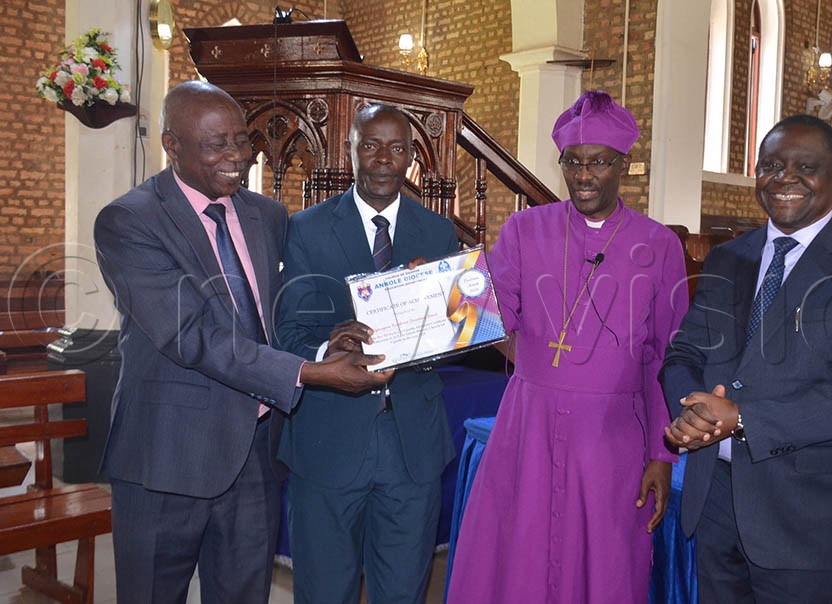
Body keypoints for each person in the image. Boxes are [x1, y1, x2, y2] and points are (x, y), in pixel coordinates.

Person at [93, 80, 391, 604]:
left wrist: (325, 343)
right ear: (172, 144)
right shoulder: (129, 220)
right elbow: (191, 336)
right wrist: (309, 374)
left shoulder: (267, 215)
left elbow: (267, 318)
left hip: (254, 453)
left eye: (241, 140)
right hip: (167, 454)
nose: (236, 157)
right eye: (216, 145)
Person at [446, 90, 689, 603]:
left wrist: (662, 455)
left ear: (623, 163)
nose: (584, 175)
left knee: (604, 566)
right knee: (519, 561)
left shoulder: (659, 244)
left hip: (610, 442)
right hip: (527, 431)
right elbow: (485, 312)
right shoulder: (525, 229)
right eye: (573, 162)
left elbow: (665, 360)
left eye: (598, 162)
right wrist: (435, 297)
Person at [661, 114, 832, 603]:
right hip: (716, 502)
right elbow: (684, 352)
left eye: (806, 166)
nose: (785, 178)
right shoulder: (728, 257)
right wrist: (691, 412)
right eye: (772, 165)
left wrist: (743, 417)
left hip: (804, 517)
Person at [274, 103, 459, 604]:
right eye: (371, 145)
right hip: (328, 440)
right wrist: (328, 346)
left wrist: (432, 298)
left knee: (402, 591)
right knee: (323, 592)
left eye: (396, 148)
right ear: (351, 149)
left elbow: (460, 333)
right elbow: (287, 331)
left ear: (410, 158)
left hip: (411, 448)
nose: (383, 159)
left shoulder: (438, 234)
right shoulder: (307, 229)